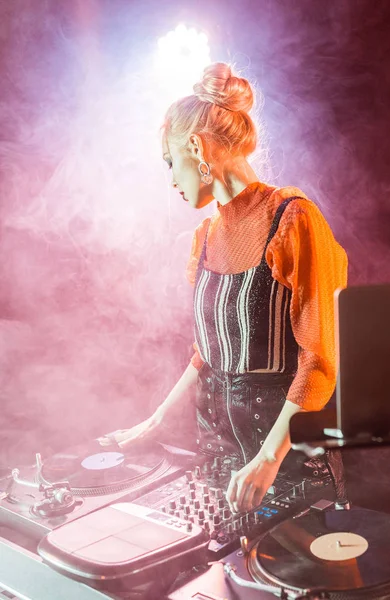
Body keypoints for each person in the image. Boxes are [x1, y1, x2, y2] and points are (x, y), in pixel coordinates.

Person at [99, 62, 348, 515]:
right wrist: (156, 420)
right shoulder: (204, 237)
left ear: (195, 147)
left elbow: (319, 362)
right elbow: (207, 353)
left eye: (170, 162)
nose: (171, 179)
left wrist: (267, 460)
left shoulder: (294, 220)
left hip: (288, 468)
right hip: (217, 466)